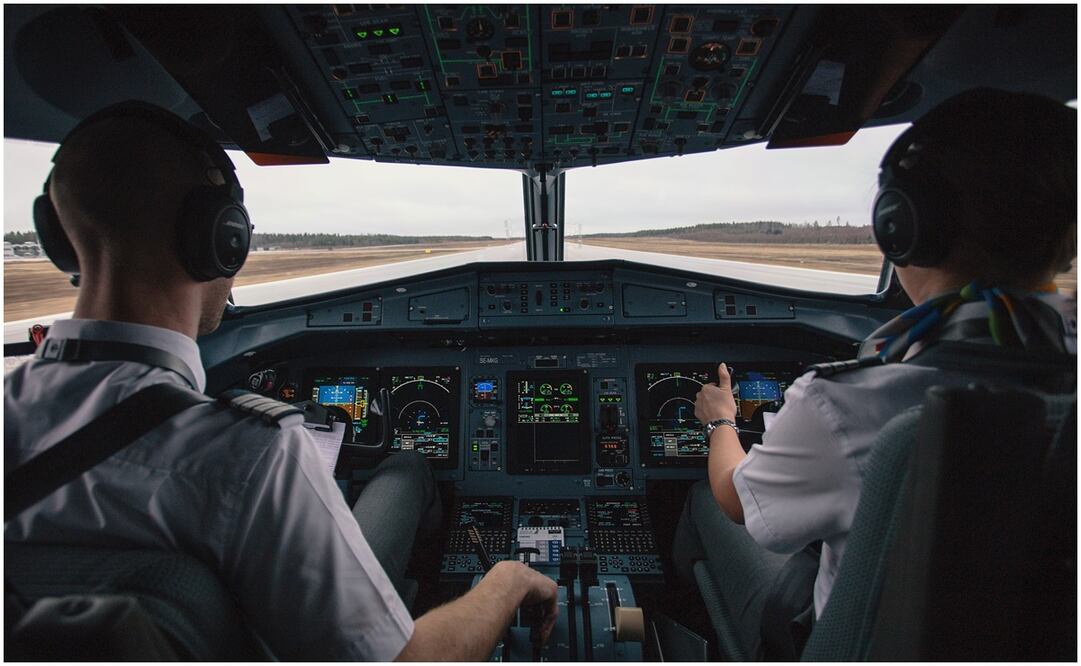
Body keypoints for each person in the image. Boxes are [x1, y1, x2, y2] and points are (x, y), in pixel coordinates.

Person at [4, 101, 558, 661]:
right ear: (222, 238)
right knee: (405, 466)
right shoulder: (247, 453)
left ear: (58, 236)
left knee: (404, 467)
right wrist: (509, 579)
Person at [674, 88, 1077, 659]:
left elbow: (738, 501)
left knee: (702, 497)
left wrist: (721, 423)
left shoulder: (848, 403)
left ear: (903, 225)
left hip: (847, 641)